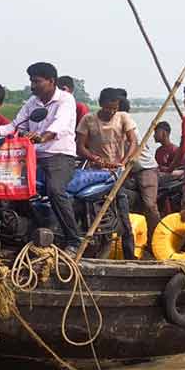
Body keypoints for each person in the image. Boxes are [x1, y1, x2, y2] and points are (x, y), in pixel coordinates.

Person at [0, 62, 81, 254]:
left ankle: (73, 240)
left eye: (37, 81)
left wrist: (43, 137)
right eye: (31, 81)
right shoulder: (32, 102)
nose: (33, 86)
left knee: (55, 190)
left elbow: (60, 125)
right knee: (7, 183)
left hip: (58, 154)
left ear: (51, 81)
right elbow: (15, 125)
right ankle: (26, 230)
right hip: (32, 154)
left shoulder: (65, 100)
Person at [75, 87, 138, 259]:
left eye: (114, 108)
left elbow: (133, 142)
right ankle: (92, 252)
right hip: (95, 174)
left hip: (116, 174)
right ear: (101, 104)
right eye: (108, 108)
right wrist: (95, 158)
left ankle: (129, 257)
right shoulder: (88, 120)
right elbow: (80, 147)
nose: (111, 112)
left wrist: (123, 162)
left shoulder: (123, 117)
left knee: (124, 215)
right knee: (94, 215)